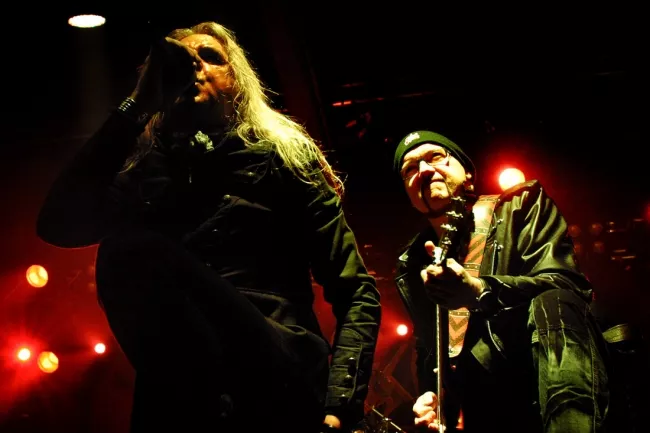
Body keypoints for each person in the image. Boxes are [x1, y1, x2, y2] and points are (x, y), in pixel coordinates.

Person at [36, 21, 381, 433]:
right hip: (188, 393)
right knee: (123, 250)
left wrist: (340, 404)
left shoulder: (284, 157)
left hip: (275, 366)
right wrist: (136, 105)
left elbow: (355, 290)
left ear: (239, 81)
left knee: (134, 248)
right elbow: (58, 225)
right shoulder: (143, 171)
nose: (193, 66)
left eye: (210, 57)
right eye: (179, 61)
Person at [391, 130, 609, 432]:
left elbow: (567, 287)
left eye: (436, 157)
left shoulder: (521, 205)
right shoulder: (413, 262)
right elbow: (428, 349)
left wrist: (480, 290)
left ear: (468, 174)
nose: (424, 170)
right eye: (410, 169)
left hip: (541, 386)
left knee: (555, 301)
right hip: (483, 409)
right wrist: (432, 395)